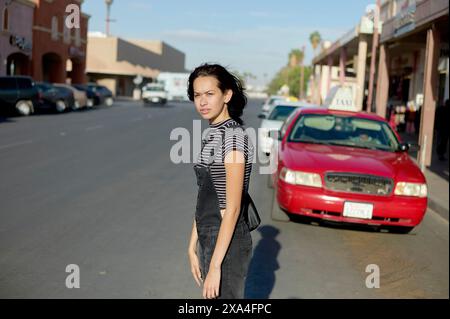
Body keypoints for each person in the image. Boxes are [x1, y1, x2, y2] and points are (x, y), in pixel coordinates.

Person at [187, 64, 254, 299]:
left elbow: (233, 208)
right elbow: (206, 194)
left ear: (227, 95)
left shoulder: (233, 139)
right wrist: (192, 244)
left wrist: (216, 266)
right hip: (210, 235)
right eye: (197, 95)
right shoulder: (214, 133)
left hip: (228, 239)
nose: (202, 101)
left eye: (210, 94)